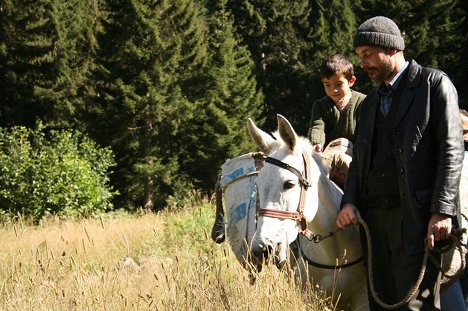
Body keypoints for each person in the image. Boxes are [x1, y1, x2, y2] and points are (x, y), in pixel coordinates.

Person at [335, 16, 464, 310]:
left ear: (391, 48)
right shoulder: (368, 105)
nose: (364, 63)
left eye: (368, 54)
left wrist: (441, 210)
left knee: (419, 303)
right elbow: (359, 162)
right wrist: (349, 201)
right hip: (375, 224)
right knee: (384, 301)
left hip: (418, 221)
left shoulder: (433, 84)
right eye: (360, 57)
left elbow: (451, 151)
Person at [308, 54, 366, 153]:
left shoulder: (363, 102)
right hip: (328, 155)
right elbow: (317, 126)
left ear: (351, 81)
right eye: (327, 85)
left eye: (339, 84)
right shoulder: (320, 106)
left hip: (357, 155)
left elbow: (366, 132)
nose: (333, 90)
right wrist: (316, 143)